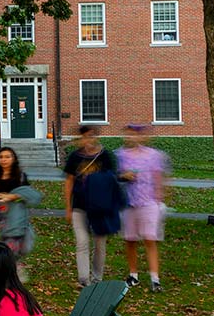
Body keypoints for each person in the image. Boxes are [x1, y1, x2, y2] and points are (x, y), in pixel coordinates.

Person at [63, 126, 123, 288]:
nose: (87, 140)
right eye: (84, 137)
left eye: (90, 137)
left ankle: (97, 278)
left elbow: (112, 180)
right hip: (80, 205)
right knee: (82, 242)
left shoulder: (104, 156)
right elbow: (69, 181)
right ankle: (84, 280)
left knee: (99, 244)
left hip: (99, 207)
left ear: (96, 137)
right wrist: (68, 207)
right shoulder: (75, 157)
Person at [116, 125, 171, 292]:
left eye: (136, 135)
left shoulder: (153, 155)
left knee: (149, 239)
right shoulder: (120, 155)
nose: (133, 138)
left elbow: (159, 177)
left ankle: (155, 279)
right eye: (129, 135)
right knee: (130, 239)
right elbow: (114, 176)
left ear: (143, 137)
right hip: (128, 202)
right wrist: (123, 176)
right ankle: (133, 274)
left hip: (148, 202)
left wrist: (159, 198)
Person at [0, 147, 44, 282]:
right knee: (8, 240)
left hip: (17, 214)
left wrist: (12, 196)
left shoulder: (20, 176)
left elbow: (27, 194)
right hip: (3, 215)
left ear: (13, 159)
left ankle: (12, 270)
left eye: (7, 157)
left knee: (14, 241)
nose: (4, 160)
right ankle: (14, 269)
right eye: (1, 157)